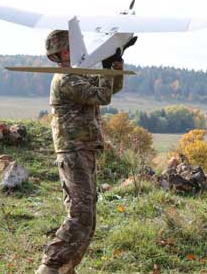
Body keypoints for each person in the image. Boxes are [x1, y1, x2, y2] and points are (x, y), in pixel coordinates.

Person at [36, 30, 135, 274]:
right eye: (74, 45)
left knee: (87, 218)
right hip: (73, 151)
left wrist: (115, 60)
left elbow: (112, 88)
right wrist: (105, 63)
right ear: (65, 51)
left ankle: (64, 269)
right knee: (80, 218)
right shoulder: (66, 79)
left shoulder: (76, 74)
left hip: (83, 150)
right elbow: (102, 95)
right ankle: (50, 267)